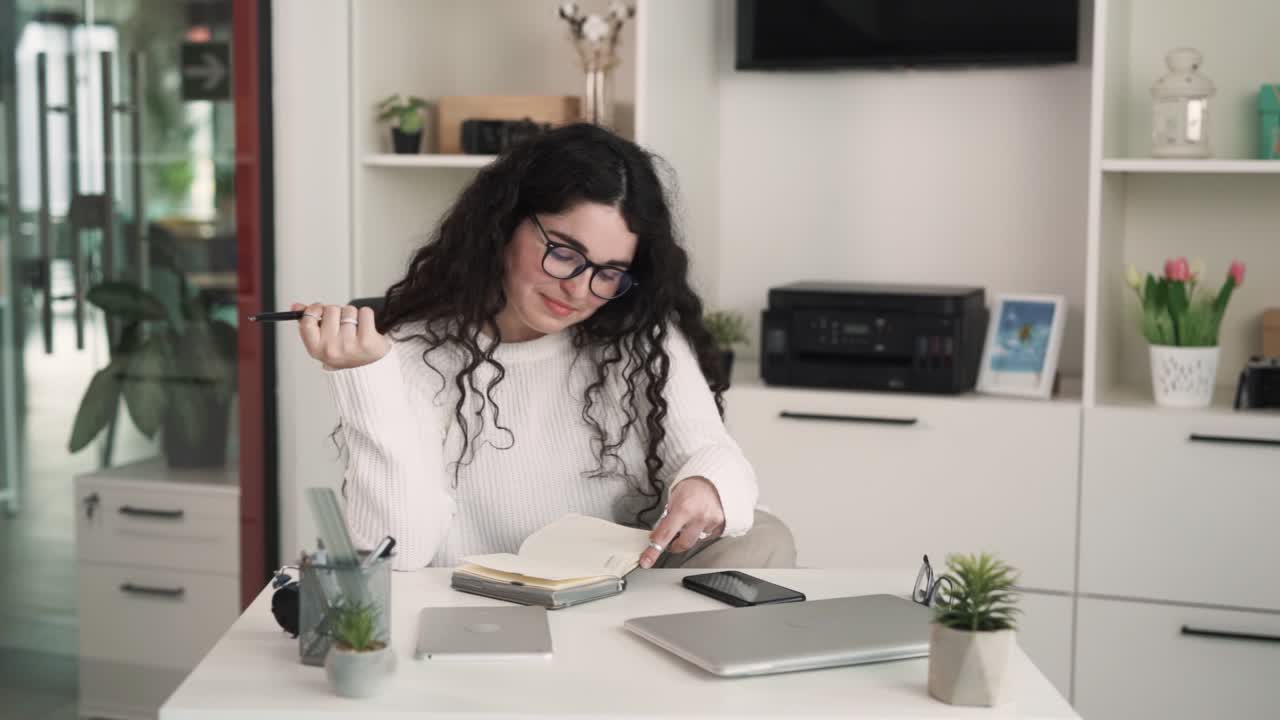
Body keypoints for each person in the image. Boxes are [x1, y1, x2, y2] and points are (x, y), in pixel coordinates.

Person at [293, 123, 795, 571]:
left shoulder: (640, 338)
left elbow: (715, 454)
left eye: (609, 272)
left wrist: (706, 486)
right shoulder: (415, 353)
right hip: (482, 617)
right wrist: (367, 380)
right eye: (563, 253)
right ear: (504, 225)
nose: (579, 290)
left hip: (617, 613)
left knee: (765, 536)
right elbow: (395, 549)